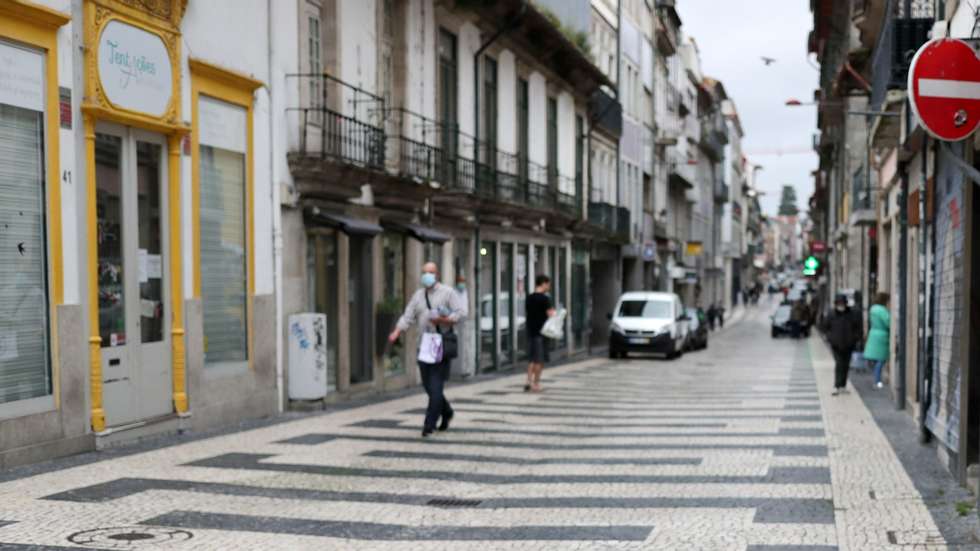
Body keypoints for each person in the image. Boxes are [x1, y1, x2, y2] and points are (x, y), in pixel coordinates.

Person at [389, 262, 466, 437]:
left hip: (442, 343)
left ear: (437, 274)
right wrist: (396, 331)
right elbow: (407, 316)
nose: (427, 276)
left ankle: (428, 425)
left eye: (430, 272)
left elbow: (461, 313)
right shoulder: (418, 295)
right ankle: (446, 412)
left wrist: (445, 320)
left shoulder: (448, 292)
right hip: (424, 344)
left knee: (436, 385)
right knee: (428, 386)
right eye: (424, 272)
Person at [822, 294, 863, 396]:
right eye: (839, 303)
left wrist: (855, 338)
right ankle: (837, 385)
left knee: (845, 365)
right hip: (836, 344)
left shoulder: (851, 314)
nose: (841, 305)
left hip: (849, 344)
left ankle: (843, 386)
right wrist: (830, 338)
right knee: (839, 364)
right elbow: (825, 327)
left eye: (842, 303)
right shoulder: (831, 314)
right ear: (836, 304)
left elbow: (857, 327)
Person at [524, 274, 556, 393]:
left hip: (531, 331)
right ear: (543, 283)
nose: (549, 286)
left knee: (532, 359)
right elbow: (550, 314)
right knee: (539, 360)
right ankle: (536, 383)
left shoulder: (529, 297)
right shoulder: (544, 299)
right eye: (548, 284)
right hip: (542, 333)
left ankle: (528, 381)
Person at [864, 292, 891, 389]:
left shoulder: (873, 309)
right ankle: (877, 381)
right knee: (881, 359)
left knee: (876, 360)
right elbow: (888, 322)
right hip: (881, 336)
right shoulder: (882, 310)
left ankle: (877, 379)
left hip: (874, 333)